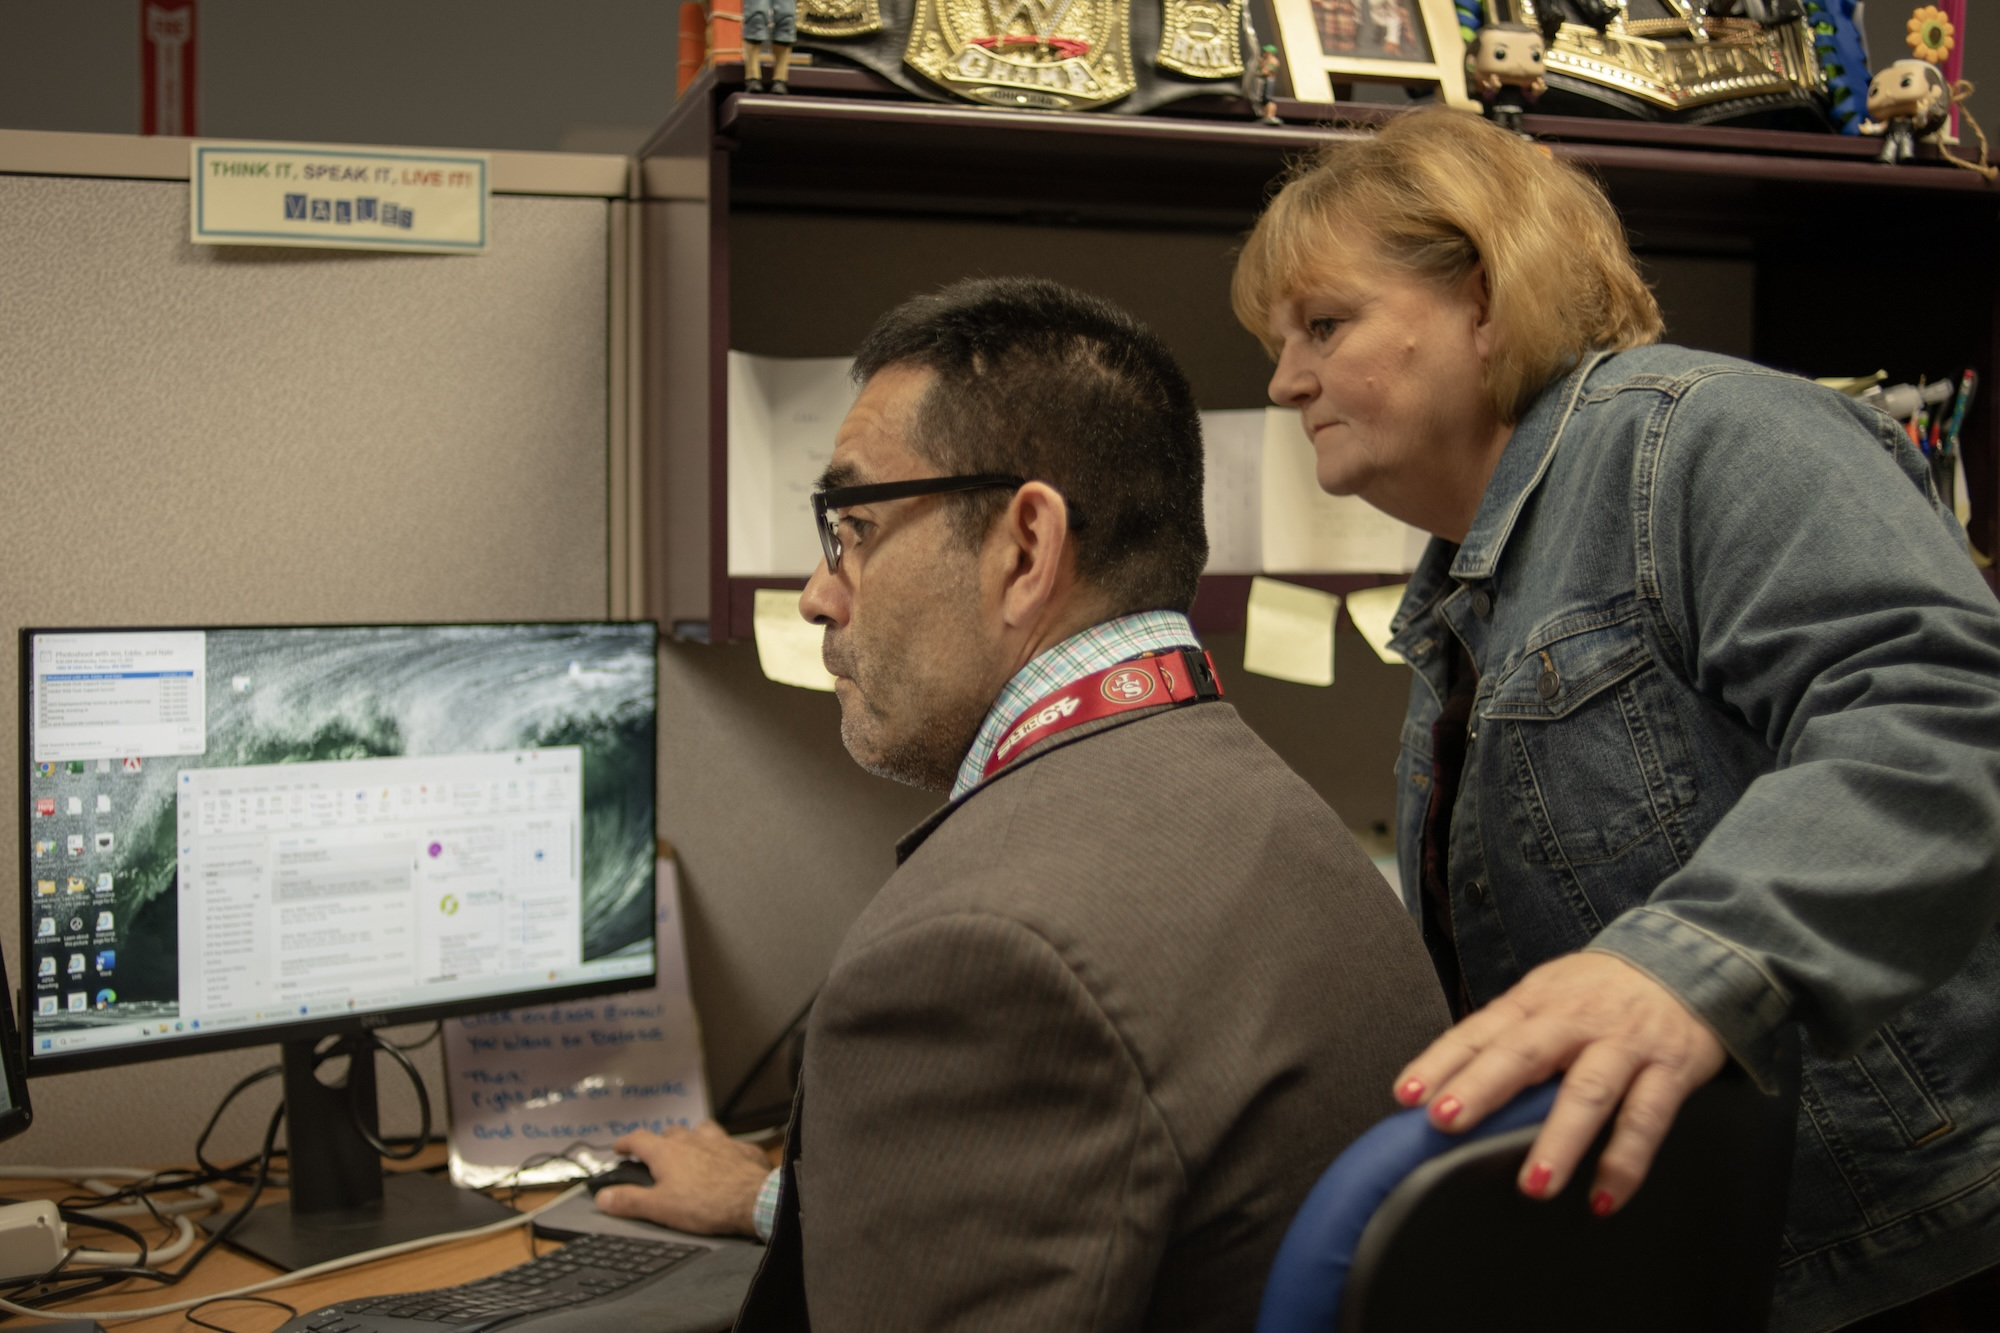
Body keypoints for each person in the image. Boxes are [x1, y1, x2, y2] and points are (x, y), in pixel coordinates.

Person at [1230, 107, 2000, 1331]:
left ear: (1483, 300)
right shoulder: (1459, 601)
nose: (1284, 379)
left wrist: (1691, 965)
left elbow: (1942, 716)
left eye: (1324, 325)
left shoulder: (1699, 432)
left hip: (1924, 1250)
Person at [596, 277, 1449, 1330]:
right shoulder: (1283, 826)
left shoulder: (979, 958)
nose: (817, 592)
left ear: (1025, 548)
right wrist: (773, 1200)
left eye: (852, 526)